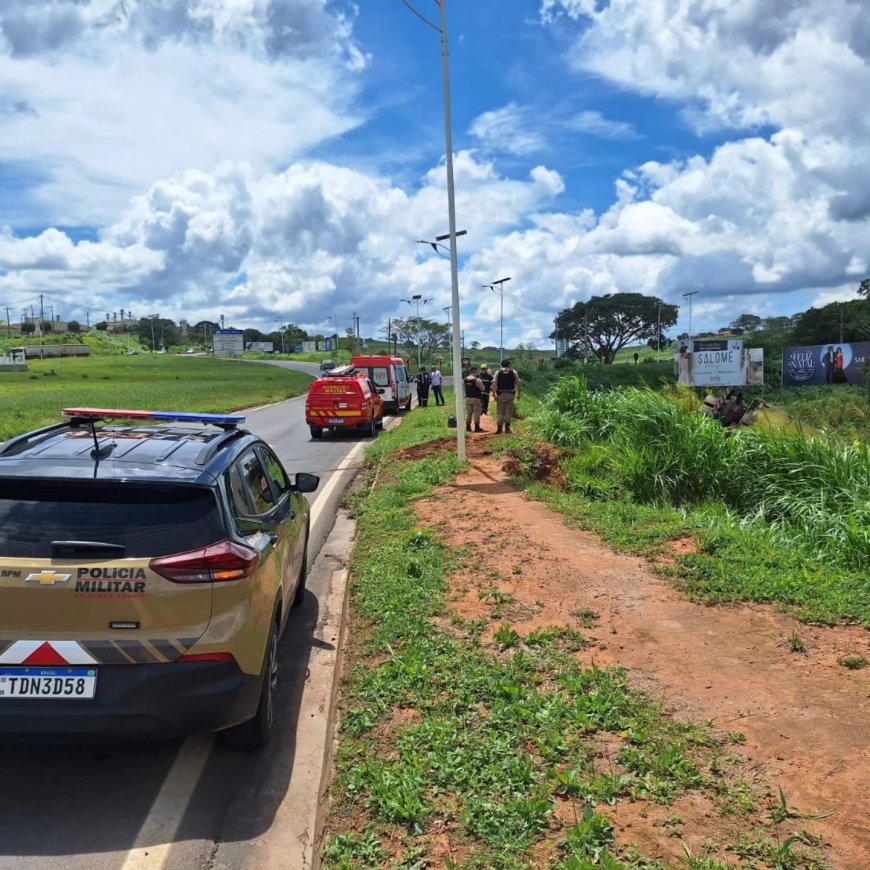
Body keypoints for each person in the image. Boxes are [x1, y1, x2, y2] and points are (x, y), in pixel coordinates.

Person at [492, 358, 522, 434]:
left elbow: (494, 383)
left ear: (501, 365)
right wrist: (519, 394)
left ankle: (499, 429)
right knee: (508, 412)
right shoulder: (513, 372)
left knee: (500, 412)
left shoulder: (498, 372)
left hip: (500, 394)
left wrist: (494, 394)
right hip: (510, 394)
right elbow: (518, 383)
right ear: (509, 365)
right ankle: (507, 429)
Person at [463, 366, 485, 432]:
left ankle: (468, 427)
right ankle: (477, 427)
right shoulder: (477, 380)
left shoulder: (465, 379)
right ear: (475, 372)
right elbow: (482, 389)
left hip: (468, 398)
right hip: (476, 399)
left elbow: (465, 387)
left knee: (468, 413)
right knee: (476, 413)